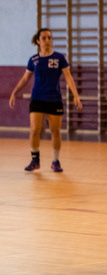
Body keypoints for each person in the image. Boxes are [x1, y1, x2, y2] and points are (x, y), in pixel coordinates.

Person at [9, 28, 82, 172]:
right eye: (44, 38)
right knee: (34, 130)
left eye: (49, 38)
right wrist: (14, 92)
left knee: (55, 131)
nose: (47, 40)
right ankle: (35, 160)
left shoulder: (59, 58)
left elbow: (68, 76)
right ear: (38, 41)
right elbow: (25, 78)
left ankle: (56, 161)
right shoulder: (34, 60)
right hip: (37, 99)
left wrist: (75, 95)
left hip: (54, 99)